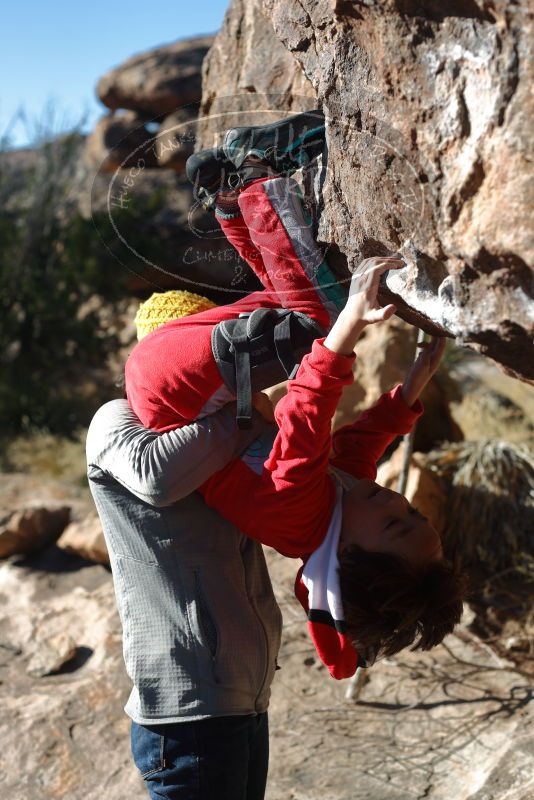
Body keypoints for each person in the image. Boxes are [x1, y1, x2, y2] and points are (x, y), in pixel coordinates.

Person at [124, 111, 466, 679]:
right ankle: (230, 193)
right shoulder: (343, 508)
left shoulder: (295, 521)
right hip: (208, 384)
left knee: (320, 320)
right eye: (411, 511)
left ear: (348, 557)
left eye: (394, 525)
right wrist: (413, 384)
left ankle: (261, 172)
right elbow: (360, 449)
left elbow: (305, 424)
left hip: (170, 385)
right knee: (290, 305)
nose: (394, 503)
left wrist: (349, 330)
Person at [87, 398, 281, 800]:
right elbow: (156, 476)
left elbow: (286, 486)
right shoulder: (115, 417)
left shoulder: (216, 427)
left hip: (245, 702)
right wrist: (244, 415)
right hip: (188, 715)